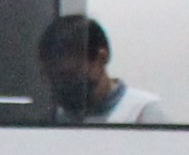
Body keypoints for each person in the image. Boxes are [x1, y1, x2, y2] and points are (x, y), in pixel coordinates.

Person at [38, 14, 171, 124]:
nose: (62, 86)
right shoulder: (58, 119)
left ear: (101, 58)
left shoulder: (142, 112)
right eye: (52, 77)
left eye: (70, 75)